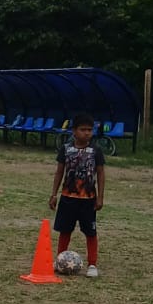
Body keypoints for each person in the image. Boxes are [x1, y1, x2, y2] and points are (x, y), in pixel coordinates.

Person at [49, 113, 105, 279]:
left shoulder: (96, 151)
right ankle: (60, 260)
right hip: (68, 198)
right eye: (83, 129)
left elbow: (101, 174)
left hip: (88, 199)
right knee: (65, 230)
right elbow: (59, 172)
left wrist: (100, 197)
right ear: (74, 131)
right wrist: (54, 194)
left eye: (90, 130)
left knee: (90, 232)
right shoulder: (66, 149)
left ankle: (92, 264)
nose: (87, 133)